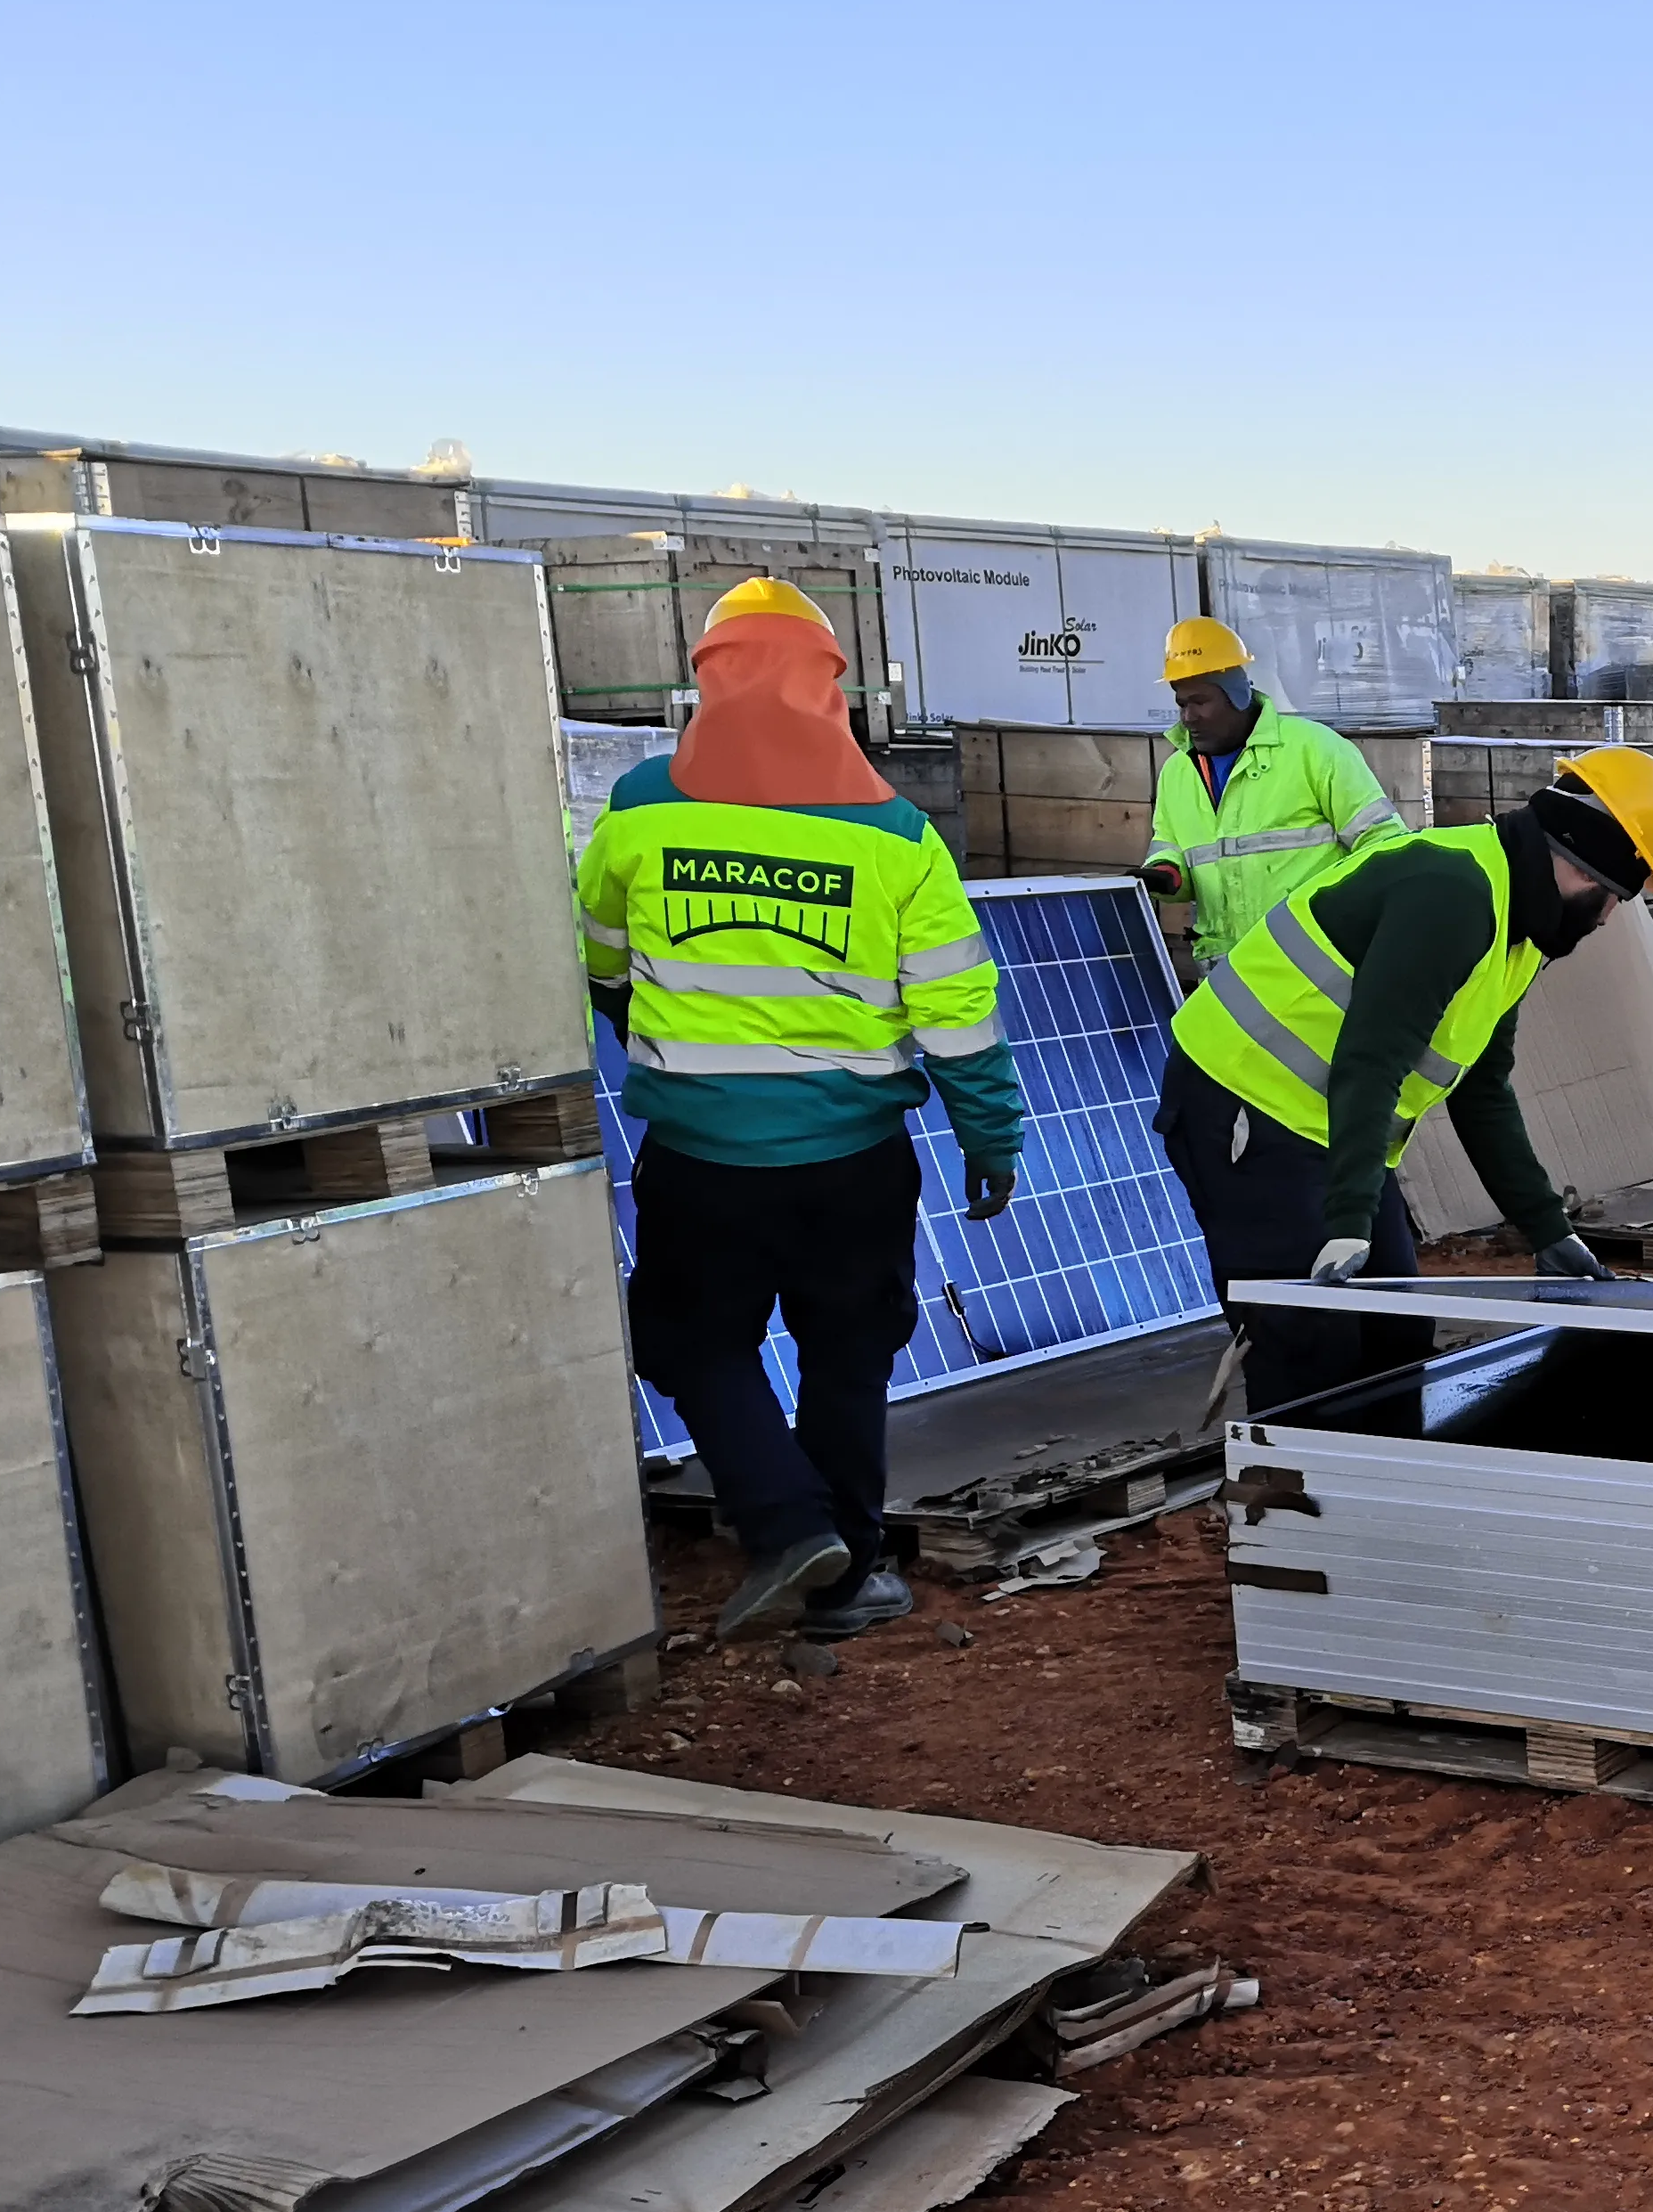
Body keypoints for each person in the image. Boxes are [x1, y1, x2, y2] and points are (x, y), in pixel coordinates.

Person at [577, 579, 1026, 1644]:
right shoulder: (901, 836)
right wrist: (991, 1136)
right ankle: (845, 1573)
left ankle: (783, 1522)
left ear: (711, 679)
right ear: (831, 689)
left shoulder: (642, 808)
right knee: (846, 1355)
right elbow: (958, 1013)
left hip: (699, 1154)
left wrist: (670, 1044)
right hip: (855, 1160)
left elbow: (599, 958)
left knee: (693, 1344)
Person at [1158, 746, 1653, 1411]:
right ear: (1576, 864)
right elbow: (1369, 1059)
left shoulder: (1519, 929)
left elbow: (1483, 1090)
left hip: (1334, 1123)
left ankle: (1384, 1496)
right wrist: (1348, 1218)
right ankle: (1293, 1497)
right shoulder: (1452, 893)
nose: (1606, 918)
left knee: (1394, 1330)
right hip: (1242, 1108)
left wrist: (1547, 1228)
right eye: (1610, 896)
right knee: (1311, 1344)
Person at [1137, 618, 1408, 980]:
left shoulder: (1314, 749)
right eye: (1182, 703)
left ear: (1236, 694)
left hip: (1317, 969)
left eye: (1200, 702)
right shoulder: (1177, 774)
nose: (1188, 718)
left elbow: (1384, 845)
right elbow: (1170, 846)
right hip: (1226, 975)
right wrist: (1165, 874)